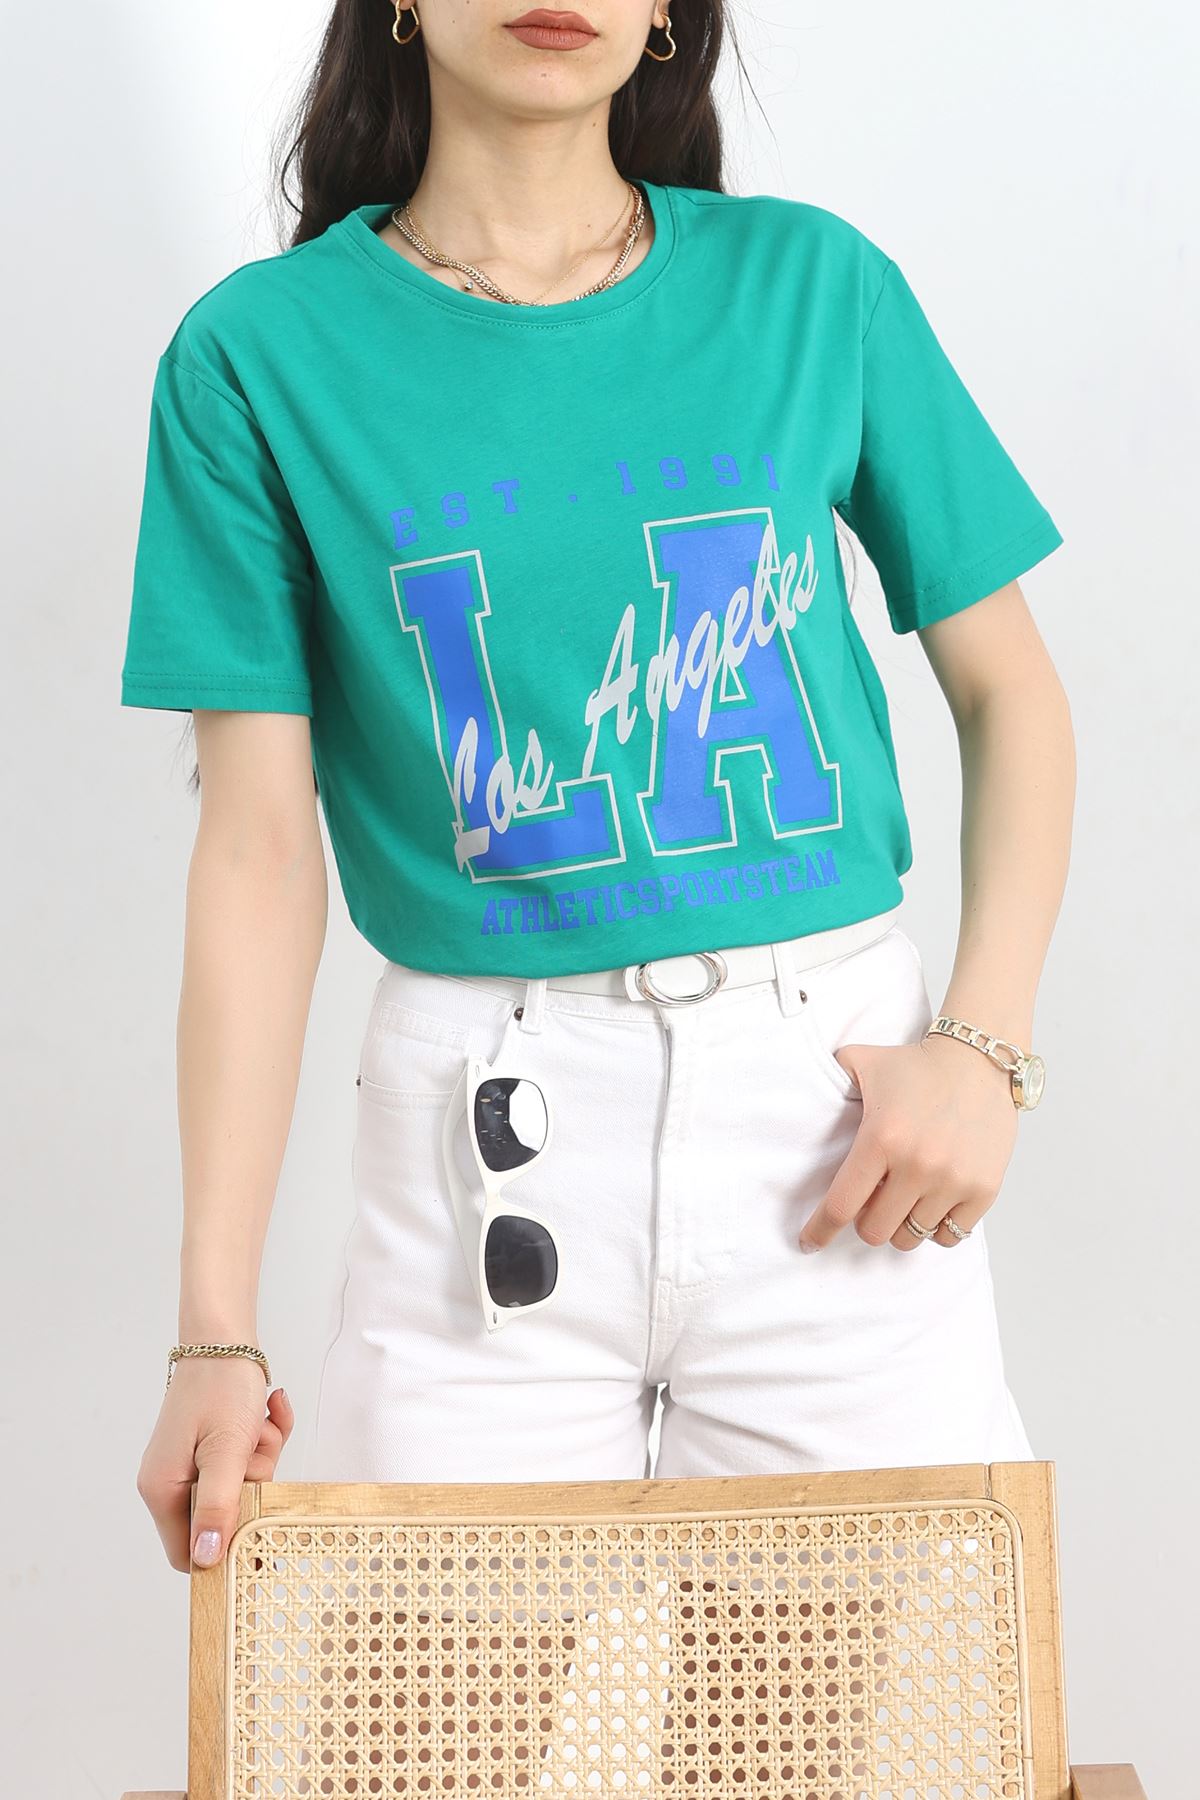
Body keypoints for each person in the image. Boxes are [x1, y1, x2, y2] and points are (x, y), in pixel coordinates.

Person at [124, 0, 1073, 1578]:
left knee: (851, 1706)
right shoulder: (258, 357)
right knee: (443, 1702)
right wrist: (212, 1327)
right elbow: (259, 855)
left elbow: (1012, 690)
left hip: (833, 1124)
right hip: (482, 1127)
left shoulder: (812, 286)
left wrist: (983, 1048)